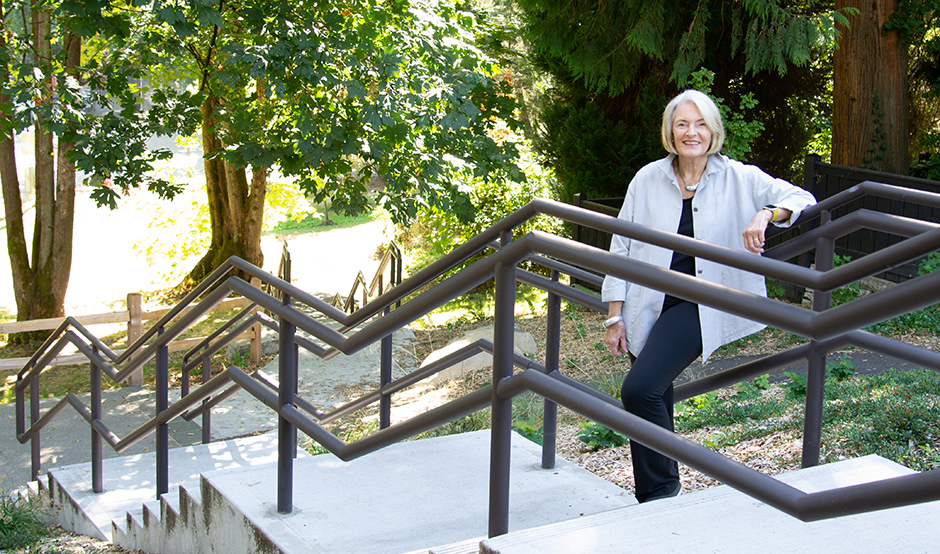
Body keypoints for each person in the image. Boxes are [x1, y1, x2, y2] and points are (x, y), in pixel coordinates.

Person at [600, 89, 816, 503]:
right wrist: (615, 314)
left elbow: (801, 198)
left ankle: (662, 491)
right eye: (682, 124)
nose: (691, 132)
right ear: (670, 132)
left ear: (713, 131)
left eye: (700, 124)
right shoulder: (647, 178)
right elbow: (621, 246)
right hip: (647, 302)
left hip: (700, 304)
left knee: (639, 390)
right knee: (656, 394)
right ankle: (654, 498)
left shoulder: (738, 176)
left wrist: (766, 213)